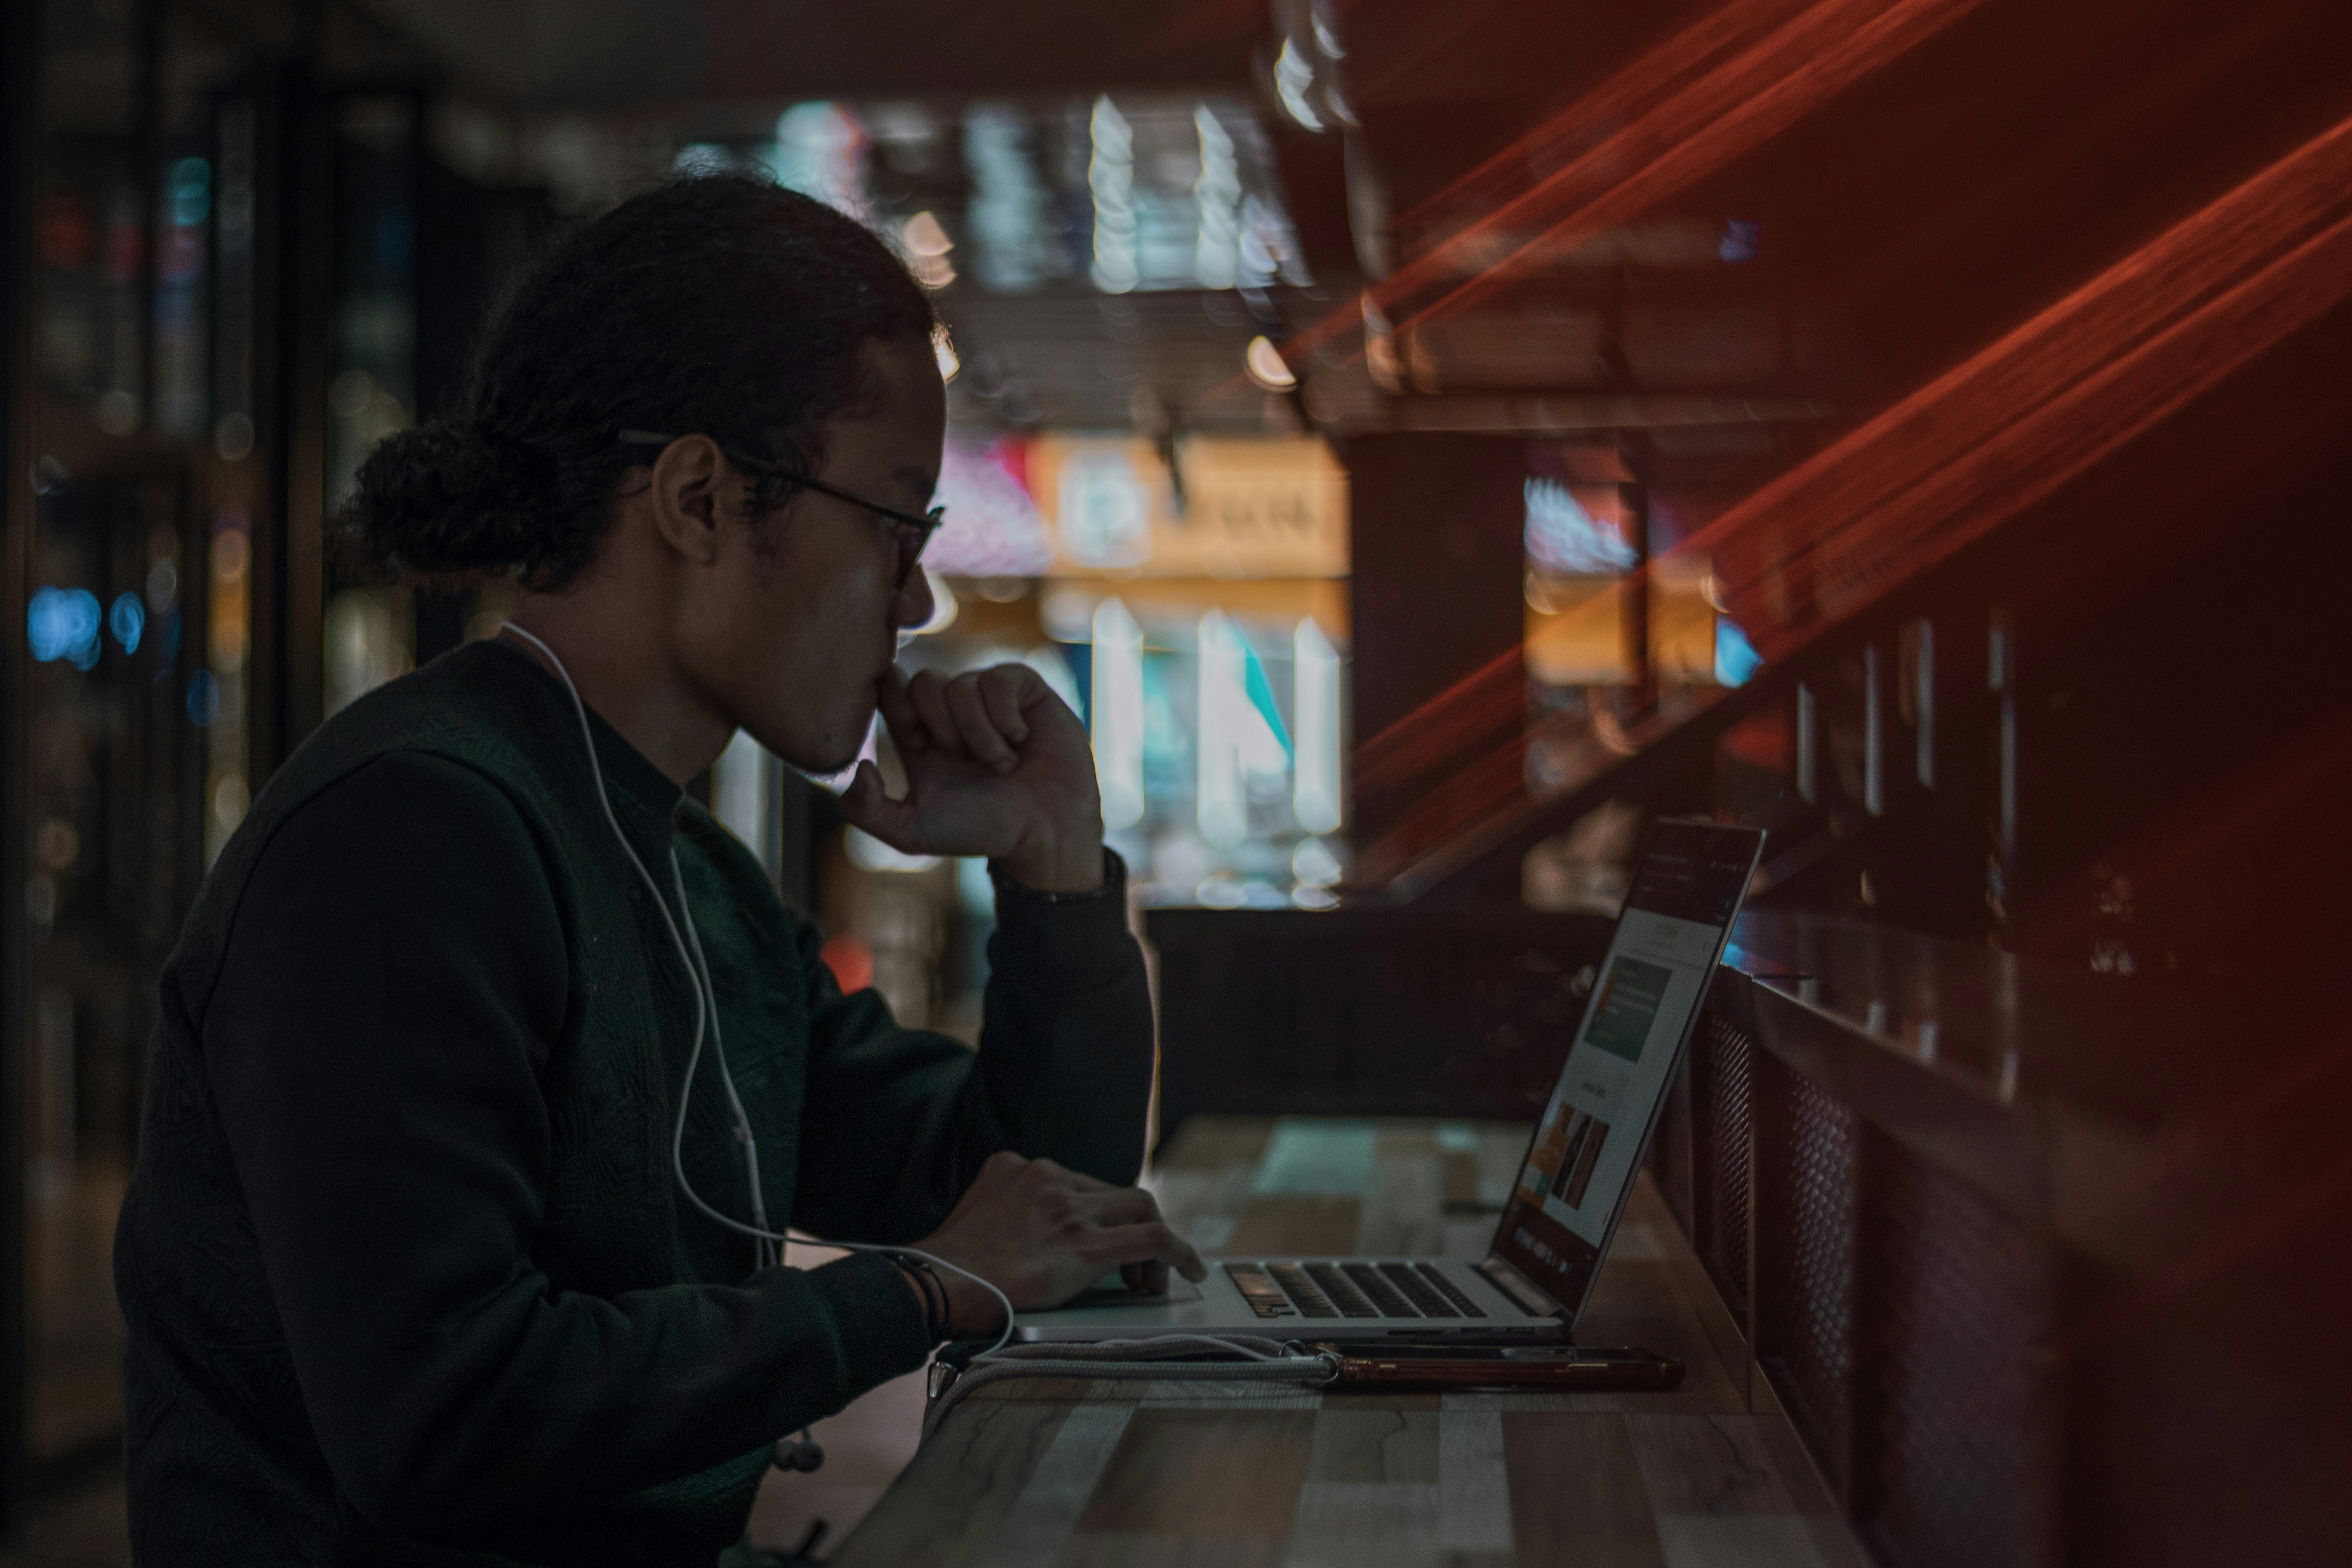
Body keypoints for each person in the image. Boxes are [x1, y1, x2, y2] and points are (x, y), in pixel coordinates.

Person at [113, 174, 1201, 1567]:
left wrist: (1051, 867)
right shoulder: (408, 832)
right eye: (896, 519)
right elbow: (443, 1413)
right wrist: (915, 1293)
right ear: (698, 496)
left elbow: (1045, 1201)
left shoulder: (688, 870)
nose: (917, 596)